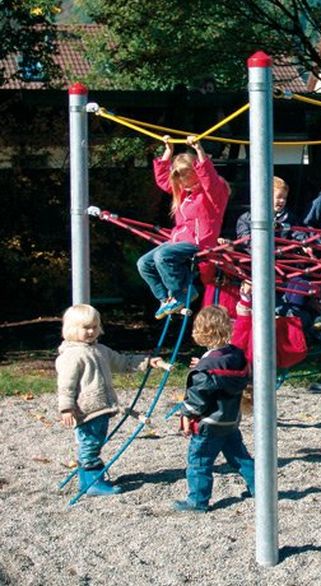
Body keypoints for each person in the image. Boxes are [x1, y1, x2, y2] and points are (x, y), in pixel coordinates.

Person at [56, 304, 156, 497]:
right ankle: (93, 482)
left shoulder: (100, 350)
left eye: (94, 326)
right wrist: (66, 408)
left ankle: (87, 481)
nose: (91, 331)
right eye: (86, 327)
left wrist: (146, 361)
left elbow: (122, 362)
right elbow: (66, 385)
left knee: (94, 442)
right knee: (90, 444)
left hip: (102, 407)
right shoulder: (72, 355)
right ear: (72, 329)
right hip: (86, 409)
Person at [137, 135, 231, 320]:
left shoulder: (213, 193)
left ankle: (184, 292)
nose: (183, 183)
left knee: (162, 256)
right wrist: (168, 152)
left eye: (187, 177)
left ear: (196, 172)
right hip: (179, 240)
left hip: (200, 241)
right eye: (181, 179)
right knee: (144, 263)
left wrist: (199, 151)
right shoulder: (184, 192)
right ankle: (165, 300)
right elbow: (164, 180)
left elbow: (209, 179)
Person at [174, 305, 254, 513]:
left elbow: (198, 398)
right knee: (240, 457)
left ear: (199, 332)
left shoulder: (206, 367)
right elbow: (222, 375)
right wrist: (202, 364)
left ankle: (198, 501)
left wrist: (186, 413)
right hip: (230, 419)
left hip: (209, 423)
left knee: (199, 462)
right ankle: (260, 488)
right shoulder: (236, 356)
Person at [235, 176, 296, 248]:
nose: (282, 201)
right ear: (265, 197)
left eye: (284, 198)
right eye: (279, 197)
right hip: (253, 257)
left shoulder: (288, 217)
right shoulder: (246, 219)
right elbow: (245, 240)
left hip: (281, 255)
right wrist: (266, 249)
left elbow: (297, 232)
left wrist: (302, 242)